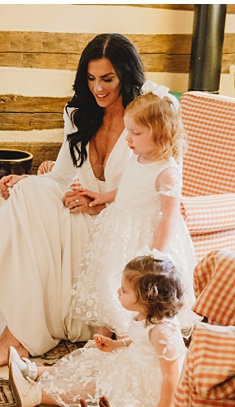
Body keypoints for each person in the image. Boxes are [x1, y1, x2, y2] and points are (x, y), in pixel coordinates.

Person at [0, 33, 146, 369]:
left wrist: (100, 201)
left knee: (34, 207)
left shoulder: (147, 115)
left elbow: (155, 186)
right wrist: (26, 181)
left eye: (108, 79)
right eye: (90, 79)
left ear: (127, 76)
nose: (98, 89)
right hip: (83, 216)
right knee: (28, 191)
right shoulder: (79, 113)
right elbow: (60, 177)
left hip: (120, 231)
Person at [69, 83, 196, 336]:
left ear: (160, 133)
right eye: (128, 131)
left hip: (145, 237)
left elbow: (170, 216)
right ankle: (104, 333)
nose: (128, 138)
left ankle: (131, 337)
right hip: (119, 229)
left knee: (136, 287)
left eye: (135, 132)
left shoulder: (167, 171)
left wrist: (155, 255)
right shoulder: (137, 157)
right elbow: (130, 188)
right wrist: (104, 196)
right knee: (110, 279)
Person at [9, 253, 187, 407]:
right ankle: (33, 372)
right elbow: (140, 342)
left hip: (147, 383)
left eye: (124, 291)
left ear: (145, 298)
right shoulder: (145, 314)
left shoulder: (162, 331)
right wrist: (116, 345)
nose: (118, 292)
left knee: (93, 387)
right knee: (88, 363)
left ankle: (34, 395)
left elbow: (171, 375)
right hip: (131, 362)